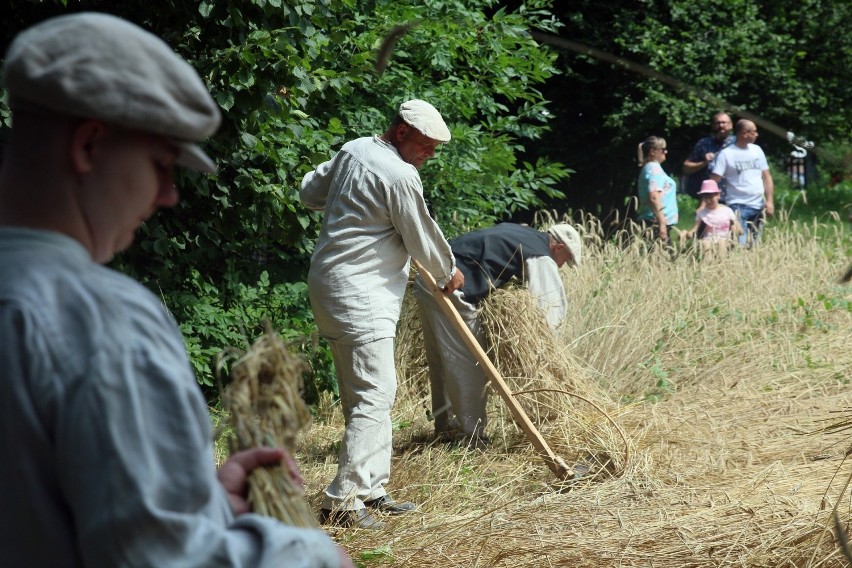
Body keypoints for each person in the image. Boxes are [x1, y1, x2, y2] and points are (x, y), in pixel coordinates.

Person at [0, 13, 352, 568]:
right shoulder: (102, 322)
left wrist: (202, 502)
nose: (168, 195)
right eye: (161, 164)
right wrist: (311, 554)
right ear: (89, 146)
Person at [300, 99, 464, 529]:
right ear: (402, 132)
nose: (429, 154)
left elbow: (309, 193)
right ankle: (344, 500)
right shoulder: (399, 174)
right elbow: (420, 233)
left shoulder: (354, 149)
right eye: (426, 144)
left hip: (331, 285)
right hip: (360, 293)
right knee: (375, 395)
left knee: (369, 393)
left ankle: (372, 489)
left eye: (435, 147)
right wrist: (448, 273)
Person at [413, 222, 582, 447]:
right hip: (452, 288)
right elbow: (550, 307)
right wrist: (550, 350)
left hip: (429, 280)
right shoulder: (540, 254)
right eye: (566, 260)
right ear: (559, 248)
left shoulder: (521, 233)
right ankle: (471, 438)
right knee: (469, 365)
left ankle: (447, 429)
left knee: (442, 360)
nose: (562, 266)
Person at [710, 119, 775, 247]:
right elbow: (713, 180)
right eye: (754, 132)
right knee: (741, 243)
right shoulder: (726, 154)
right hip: (737, 205)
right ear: (744, 133)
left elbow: (766, 177)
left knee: (754, 244)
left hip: (758, 204)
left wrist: (770, 200)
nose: (757, 134)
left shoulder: (757, 150)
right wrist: (710, 200)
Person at [681, 179, 744, 256]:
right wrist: (686, 234)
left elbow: (740, 231)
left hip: (725, 239)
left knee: (722, 243)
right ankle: (709, 265)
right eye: (705, 198)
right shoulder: (701, 213)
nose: (708, 201)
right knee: (705, 243)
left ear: (718, 195)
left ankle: (721, 263)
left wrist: (734, 228)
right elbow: (694, 229)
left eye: (711, 197)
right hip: (709, 239)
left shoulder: (727, 211)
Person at [682, 111, 734, 201]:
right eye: (718, 123)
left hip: (733, 197)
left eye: (724, 122)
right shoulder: (704, 144)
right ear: (713, 126)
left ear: (731, 125)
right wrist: (704, 163)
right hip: (708, 198)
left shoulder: (737, 144)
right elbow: (686, 168)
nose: (721, 125)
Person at [636, 136, 679, 244]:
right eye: (663, 149)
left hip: (655, 222)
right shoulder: (654, 168)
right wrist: (662, 223)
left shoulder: (650, 168)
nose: (666, 152)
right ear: (652, 151)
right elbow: (654, 197)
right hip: (655, 222)